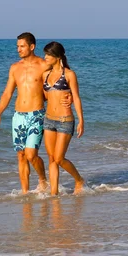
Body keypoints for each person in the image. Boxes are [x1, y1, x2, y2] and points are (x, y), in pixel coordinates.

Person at [0, 32, 52, 193]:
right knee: (21, 155)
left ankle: (42, 179)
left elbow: (57, 85)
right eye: (17, 46)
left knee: (31, 154)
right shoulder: (15, 68)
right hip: (18, 116)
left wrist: (67, 99)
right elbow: (7, 93)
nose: (18, 49)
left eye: (22, 46)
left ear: (32, 47)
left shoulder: (43, 65)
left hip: (37, 115)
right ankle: (25, 193)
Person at [42, 41, 85, 195]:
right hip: (48, 120)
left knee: (59, 158)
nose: (45, 57)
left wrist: (81, 120)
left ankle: (79, 180)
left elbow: (77, 97)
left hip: (64, 121)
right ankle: (54, 193)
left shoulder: (69, 74)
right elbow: (46, 96)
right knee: (51, 158)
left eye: (48, 54)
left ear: (58, 56)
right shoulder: (45, 74)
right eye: (45, 54)